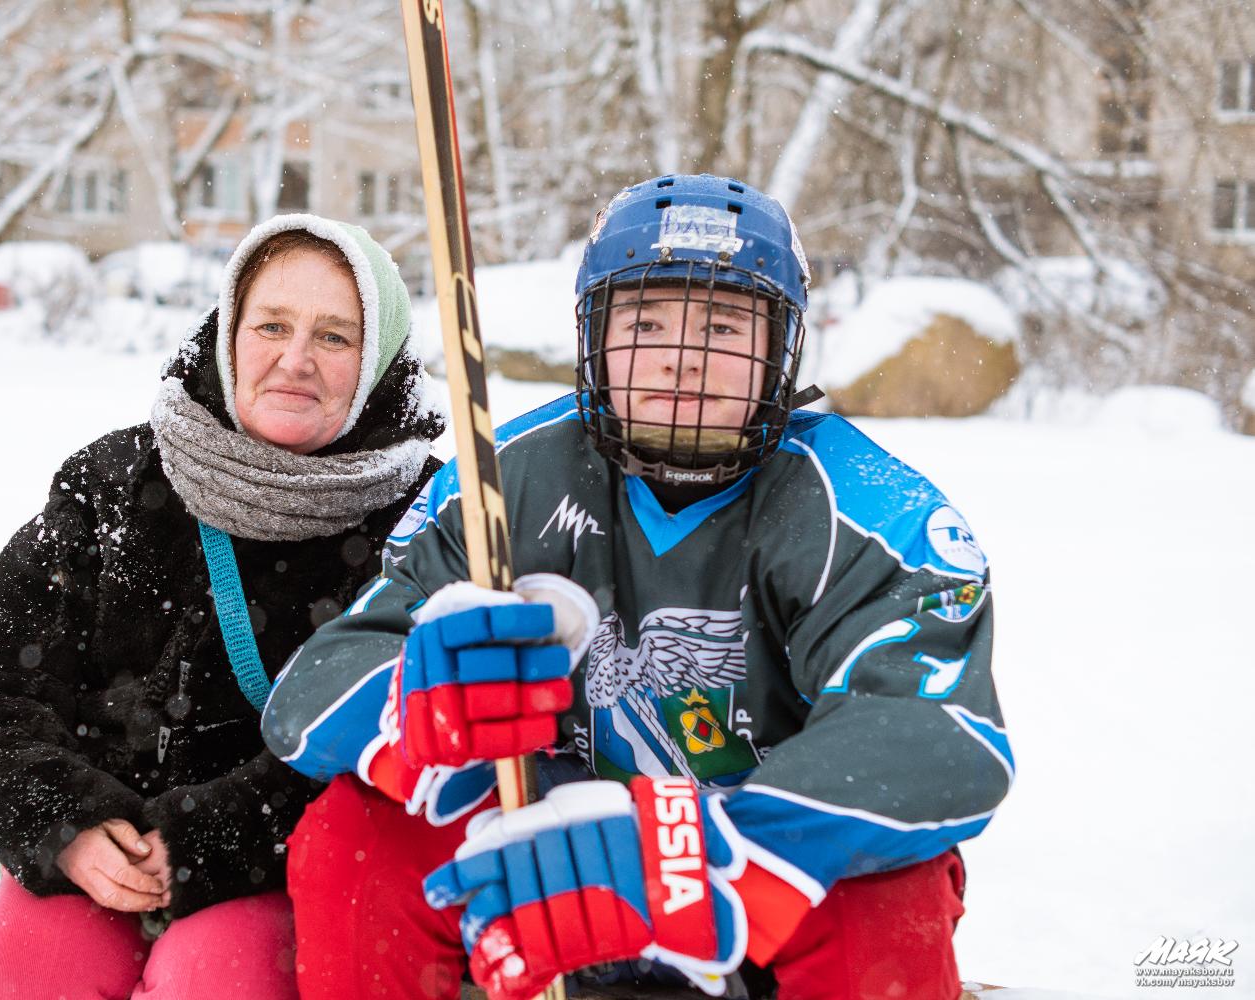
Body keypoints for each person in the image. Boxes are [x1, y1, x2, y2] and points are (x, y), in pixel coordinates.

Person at [260, 175, 1014, 1000]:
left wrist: (719, 851)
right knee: (354, 833)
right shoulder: (501, 482)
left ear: (781, 348)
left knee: (889, 881)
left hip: (754, 868)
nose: (680, 357)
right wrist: (419, 708)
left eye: (723, 325)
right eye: (644, 320)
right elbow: (315, 688)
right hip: (549, 849)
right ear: (595, 336)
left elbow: (941, 735)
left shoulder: (868, 509)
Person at [0, 213, 445, 1000]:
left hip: (268, 864)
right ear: (230, 329)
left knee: (212, 979)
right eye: (271, 324)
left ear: (376, 362)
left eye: (335, 337)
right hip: (89, 845)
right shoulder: (113, 481)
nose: (295, 360)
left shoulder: (424, 517)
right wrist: (67, 824)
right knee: (38, 965)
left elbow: (386, 735)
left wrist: (207, 839)